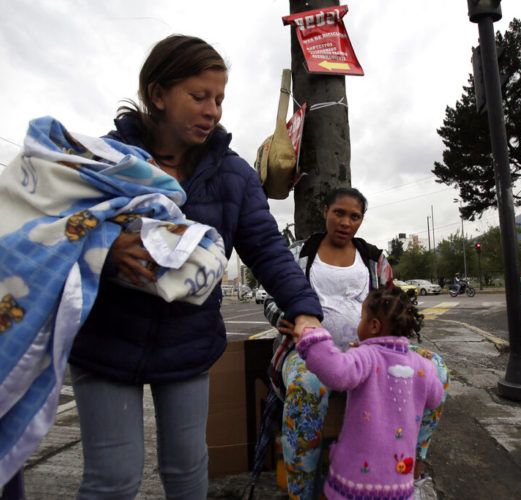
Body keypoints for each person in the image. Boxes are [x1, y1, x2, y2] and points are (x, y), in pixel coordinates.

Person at [67, 35, 322, 499]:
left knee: (187, 470)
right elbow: (52, 225)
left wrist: (304, 308)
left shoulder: (233, 174)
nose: (213, 110)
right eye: (199, 96)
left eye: (219, 99)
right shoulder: (105, 159)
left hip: (188, 340)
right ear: (158, 94)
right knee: (112, 480)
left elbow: (265, 246)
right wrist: (104, 246)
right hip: (105, 339)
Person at [264, 187, 448, 499]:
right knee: (309, 385)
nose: (346, 222)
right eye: (339, 213)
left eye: (354, 216)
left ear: (361, 221)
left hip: (371, 352)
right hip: (307, 351)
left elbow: (393, 302)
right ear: (326, 212)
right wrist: (285, 316)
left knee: (437, 369)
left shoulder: (375, 259)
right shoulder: (298, 253)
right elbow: (270, 298)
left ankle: (413, 462)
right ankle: (301, 491)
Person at [294, 287, 445, 500]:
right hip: (398, 485)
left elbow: (337, 372)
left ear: (373, 326)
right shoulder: (422, 366)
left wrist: (313, 339)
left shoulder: (366, 356)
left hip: (354, 482)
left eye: (362, 318)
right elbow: (435, 397)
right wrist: (429, 370)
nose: (359, 324)